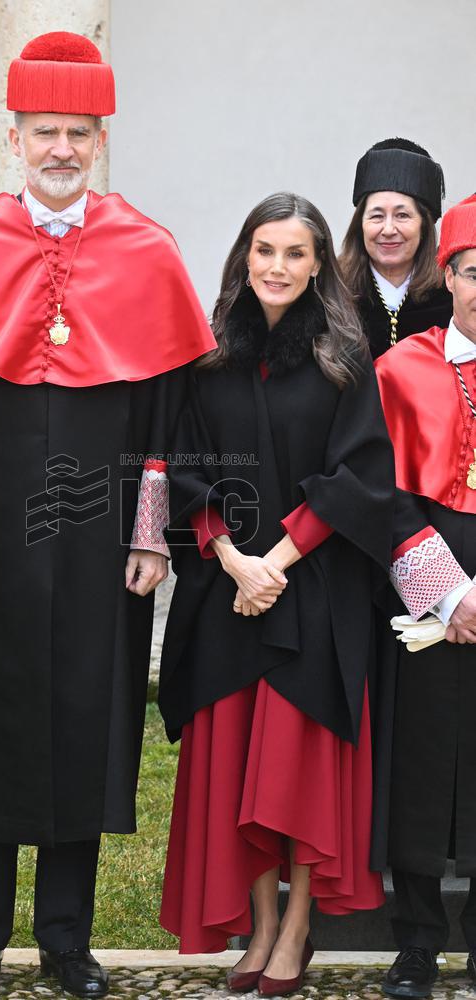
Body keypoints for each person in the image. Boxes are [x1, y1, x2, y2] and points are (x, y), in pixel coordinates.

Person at [0, 31, 215, 1000]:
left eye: (78, 132)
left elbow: (165, 415)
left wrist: (152, 533)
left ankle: (66, 939)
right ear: (15, 133)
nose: (62, 148)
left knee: (87, 716)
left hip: (96, 535)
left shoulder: (146, 251)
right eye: (45, 132)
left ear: (98, 137)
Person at [158, 192, 395, 997]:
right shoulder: (209, 354)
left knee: (292, 769)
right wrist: (231, 559)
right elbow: (183, 468)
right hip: (227, 589)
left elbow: (358, 476)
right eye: (265, 251)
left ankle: (297, 931)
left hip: (314, 588)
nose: (278, 268)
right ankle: (259, 926)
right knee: (235, 771)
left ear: (320, 264)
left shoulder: (345, 358)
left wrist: (277, 562)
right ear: (242, 257)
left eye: (296, 254)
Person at [375, 195, 476, 998]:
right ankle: (415, 942)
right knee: (417, 756)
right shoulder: (402, 365)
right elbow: (382, 489)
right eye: (475, 272)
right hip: (421, 581)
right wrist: (446, 592)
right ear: (449, 275)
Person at [340, 138, 452, 359]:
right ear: (360, 224)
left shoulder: (451, 298)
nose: (388, 229)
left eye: (402, 215)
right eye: (377, 216)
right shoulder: (332, 294)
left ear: (424, 224)